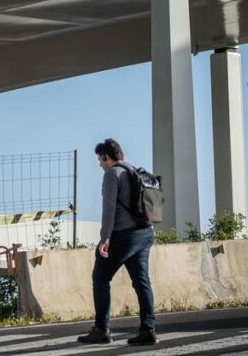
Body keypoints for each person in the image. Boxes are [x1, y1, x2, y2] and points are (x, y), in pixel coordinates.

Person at [78, 138, 157, 346]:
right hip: (146, 233)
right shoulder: (136, 171)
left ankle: (101, 329)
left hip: (124, 236)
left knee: (100, 277)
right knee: (142, 282)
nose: (99, 164)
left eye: (99, 160)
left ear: (106, 157)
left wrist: (104, 239)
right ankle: (148, 329)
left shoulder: (112, 174)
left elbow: (109, 210)